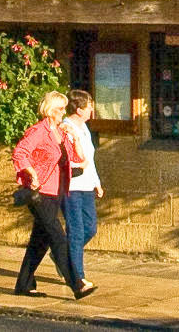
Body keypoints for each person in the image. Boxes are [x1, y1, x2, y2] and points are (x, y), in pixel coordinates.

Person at [11, 90, 97, 300]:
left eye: (64, 108)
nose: (62, 112)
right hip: (40, 193)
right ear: (49, 110)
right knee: (58, 238)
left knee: (39, 242)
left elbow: (78, 158)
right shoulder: (39, 131)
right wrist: (30, 172)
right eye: (59, 108)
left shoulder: (60, 131)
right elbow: (20, 153)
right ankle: (76, 284)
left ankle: (24, 284)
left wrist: (75, 137)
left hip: (57, 191)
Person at [62, 89, 103, 289]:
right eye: (88, 108)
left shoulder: (85, 128)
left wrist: (96, 181)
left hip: (86, 185)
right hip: (71, 186)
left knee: (90, 228)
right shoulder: (66, 128)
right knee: (76, 231)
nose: (91, 111)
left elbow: (90, 159)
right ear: (78, 110)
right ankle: (77, 277)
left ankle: (63, 255)